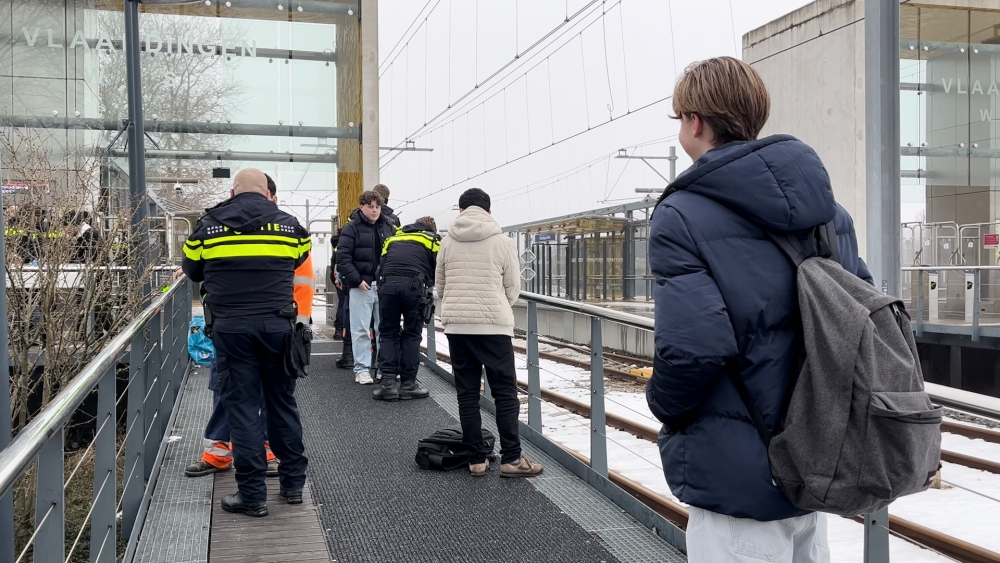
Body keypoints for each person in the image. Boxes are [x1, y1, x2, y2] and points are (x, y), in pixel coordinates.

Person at [644, 57, 870, 563]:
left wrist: (665, 405)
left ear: (696, 122)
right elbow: (862, 317)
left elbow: (693, 346)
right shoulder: (830, 215)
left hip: (737, 475)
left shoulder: (681, 213)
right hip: (815, 451)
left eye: (681, 118)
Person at [182, 168, 311, 517]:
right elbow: (297, 260)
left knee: (242, 410)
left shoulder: (207, 226)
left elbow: (193, 271)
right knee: (281, 404)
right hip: (277, 327)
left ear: (232, 191)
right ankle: (293, 486)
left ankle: (253, 496)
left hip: (231, 329)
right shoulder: (290, 226)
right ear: (267, 192)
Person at [436, 188, 542, 478]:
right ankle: (511, 459)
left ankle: (476, 460)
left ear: (460, 211)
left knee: (467, 394)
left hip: (457, 326)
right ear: (489, 212)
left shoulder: (447, 241)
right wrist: (497, 309)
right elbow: (512, 287)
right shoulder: (502, 241)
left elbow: (441, 287)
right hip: (493, 327)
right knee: (505, 393)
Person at [372, 216, 440, 401]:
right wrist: (429, 289)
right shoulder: (432, 239)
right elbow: (438, 268)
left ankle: (388, 385)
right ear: (431, 228)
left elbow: (381, 268)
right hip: (413, 289)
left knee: (388, 334)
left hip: (388, 288)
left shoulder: (392, 239)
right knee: (411, 334)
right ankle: (408, 385)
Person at [335, 191, 395, 384]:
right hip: (361, 286)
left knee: (383, 330)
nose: (375, 210)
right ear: (362, 207)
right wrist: (357, 280)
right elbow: (342, 258)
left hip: (384, 286)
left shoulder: (389, 227)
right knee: (360, 330)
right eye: (370, 206)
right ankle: (361, 369)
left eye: (377, 206)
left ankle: (380, 368)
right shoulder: (351, 228)